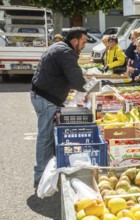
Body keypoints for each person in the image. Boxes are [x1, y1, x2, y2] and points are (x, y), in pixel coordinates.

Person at [30, 27, 87, 187]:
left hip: (43, 95)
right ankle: (41, 175)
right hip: (46, 98)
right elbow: (77, 80)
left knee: (48, 136)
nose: (84, 46)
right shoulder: (66, 52)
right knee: (46, 137)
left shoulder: (59, 47)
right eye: (83, 43)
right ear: (74, 41)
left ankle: (47, 170)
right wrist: (93, 88)